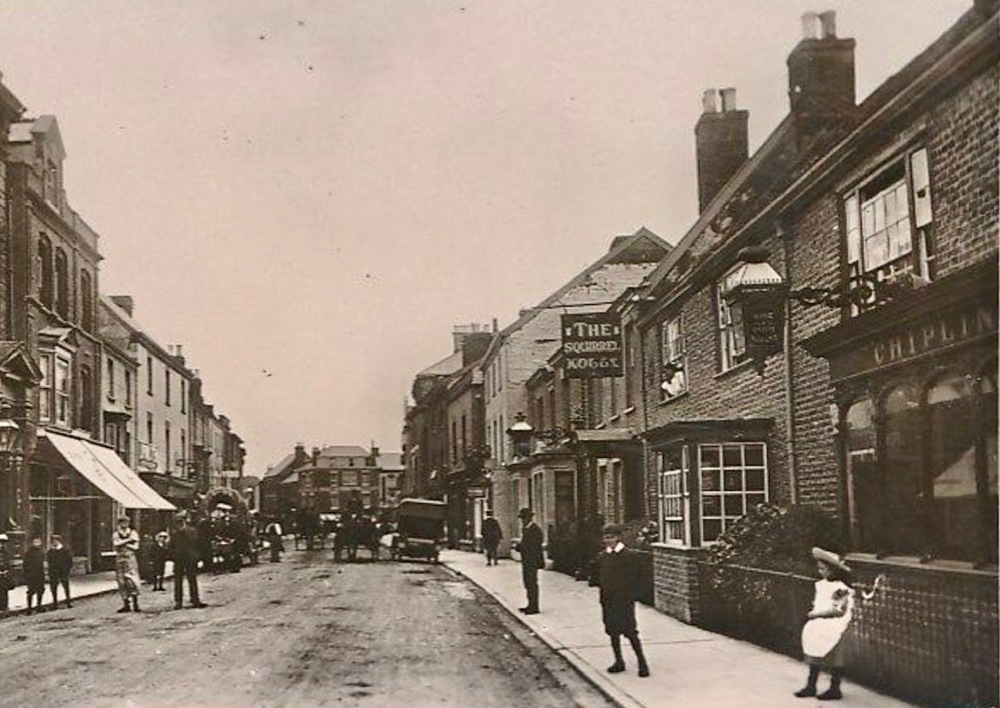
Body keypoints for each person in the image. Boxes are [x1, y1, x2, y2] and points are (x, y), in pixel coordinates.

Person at [796, 547, 855, 701]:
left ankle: (835, 688)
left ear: (833, 571)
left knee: (836, 656)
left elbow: (838, 610)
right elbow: (819, 602)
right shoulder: (821, 585)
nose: (821, 572)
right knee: (814, 649)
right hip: (820, 622)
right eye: (819, 569)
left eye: (824, 569)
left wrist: (816, 614)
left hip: (835, 624)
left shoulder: (841, 588)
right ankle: (811, 685)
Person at [598, 524, 650, 677]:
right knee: (612, 631)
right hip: (608, 600)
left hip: (624, 600)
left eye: (611, 537)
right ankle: (618, 661)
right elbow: (599, 575)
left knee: (630, 631)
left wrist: (633, 594)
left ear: (618, 537)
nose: (608, 541)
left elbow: (640, 576)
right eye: (606, 538)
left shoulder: (629, 556)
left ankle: (642, 663)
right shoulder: (603, 556)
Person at [169, 512, 207, 609]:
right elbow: (171, 547)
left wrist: (198, 557)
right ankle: (178, 602)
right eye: (177, 522)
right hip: (178, 560)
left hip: (190, 559)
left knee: (192, 580)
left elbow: (198, 544)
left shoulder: (192, 531)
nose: (179, 524)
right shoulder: (174, 533)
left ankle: (195, 600)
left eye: (181, 521)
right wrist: (173, 557)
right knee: (178, 581)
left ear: (185, 521)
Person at [513, 507, 543, 615]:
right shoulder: (527, 529)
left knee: (531, 583)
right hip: (527, 560)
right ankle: (530, 604)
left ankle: (534, 607)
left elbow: (533, 546)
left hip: (532, 560)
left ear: (528, 518)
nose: (522, 521)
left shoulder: (534, 530)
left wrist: (521, 547)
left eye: (523, 518)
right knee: (528, 583)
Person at [112, 515, 141, 613]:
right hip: (120, 558)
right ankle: (126, 604)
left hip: (130, 558)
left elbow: (136, 547)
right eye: (122, 522)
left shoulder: (133, 532)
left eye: (126, 522)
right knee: (121, 581)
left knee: (132, 580)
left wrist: (123, 543)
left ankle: (136, 604)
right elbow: (116, 544)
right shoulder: (116, 534)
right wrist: (129, 541)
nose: (124, 524)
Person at [46, 534, 73, 609]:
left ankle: (68, 601)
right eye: (53, 541)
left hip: (63, 571)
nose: (54, 542)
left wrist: (67, 570)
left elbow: (69, 561)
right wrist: (50, 571)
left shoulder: (64, 551)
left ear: (59, 541)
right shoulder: (50, 552)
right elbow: (49, 562)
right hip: (54, 572)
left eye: (56, 541)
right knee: (53, 588)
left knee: (65, 586)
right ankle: (55, 603)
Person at [23, 537, 46, 615]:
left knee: (40, 591)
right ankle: (29, 608)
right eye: (35, 542)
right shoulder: (28, 553)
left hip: (40, 574)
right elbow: (25, 565)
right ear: (32, 543)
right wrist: (26, 574)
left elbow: (44, 564)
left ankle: (38, 606)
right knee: (31, 591)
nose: (36, 543)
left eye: (38, 542)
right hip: (31, 575)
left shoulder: (42, 552)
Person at [0, 534, 11, 612]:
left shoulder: (6, 552)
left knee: (4, 590)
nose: (2, 544)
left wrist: (7, 570)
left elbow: (7, 562)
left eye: (3, 543)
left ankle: (4, 606)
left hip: (4, 574)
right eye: (0, 542)